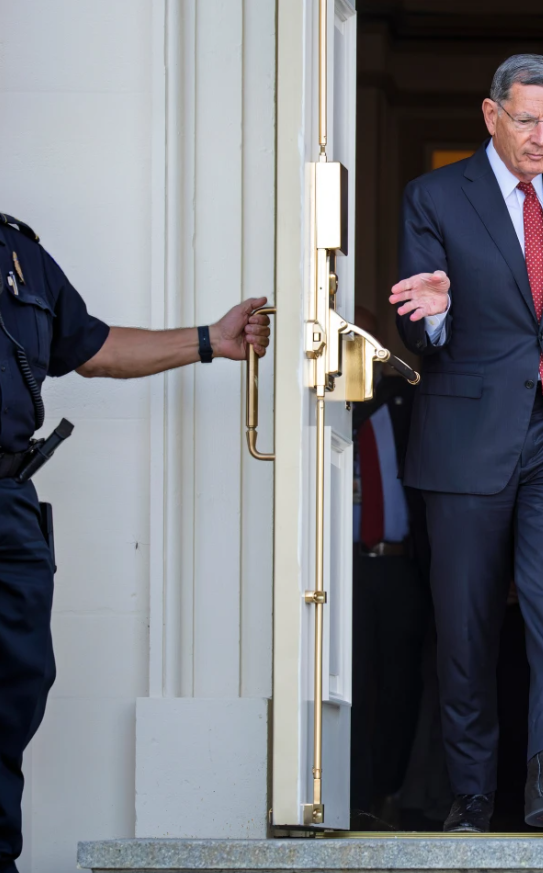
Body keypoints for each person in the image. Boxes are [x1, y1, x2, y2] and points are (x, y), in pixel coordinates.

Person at [388, 54, 543, 834]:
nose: (542, 135)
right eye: (526, 119)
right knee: (467, 623)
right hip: (464, 435)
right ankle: (471, 793)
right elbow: (419, 322)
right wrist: (430, 314)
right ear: (490, 115)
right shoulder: (433, 195)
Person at [0, 212, 269, 873]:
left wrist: (210, 340)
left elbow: (93, 349)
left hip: (9, 505)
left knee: (11, 700)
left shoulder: (20, 255)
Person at [349, 306, 430, 827]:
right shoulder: (326, 407)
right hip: (347, 568)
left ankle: (388, 792)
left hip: (403, 566)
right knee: (351, 685)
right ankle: (352, 795)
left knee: (403, 687)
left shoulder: (406, 404)